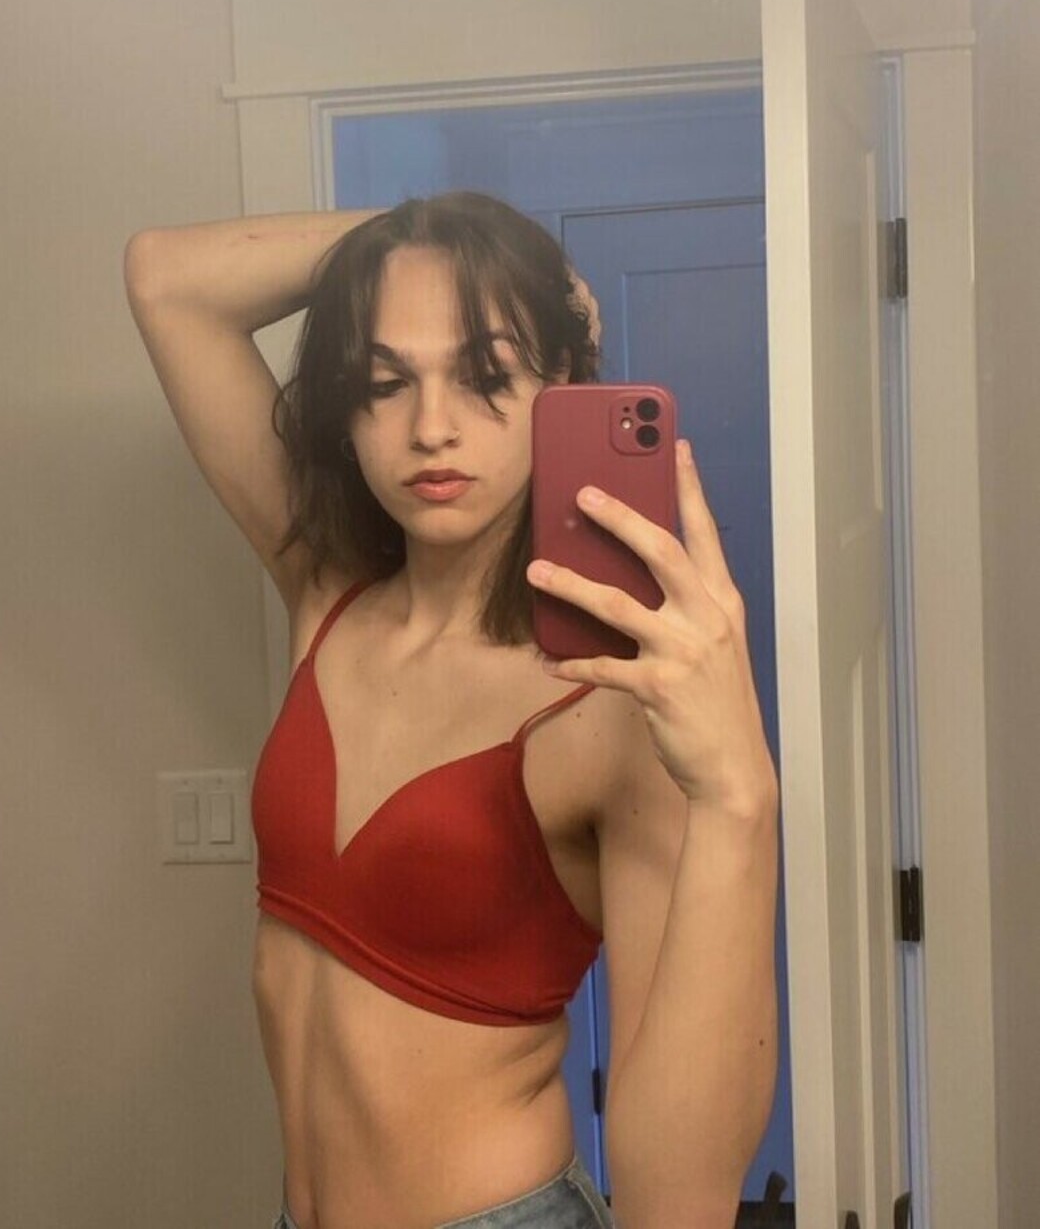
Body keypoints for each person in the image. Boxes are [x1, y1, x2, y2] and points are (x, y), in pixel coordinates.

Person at [124, 192, 780, 1229]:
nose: (431, 427)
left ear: (560, 389)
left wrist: (740, 796)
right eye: (385, 382)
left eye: (487, 374)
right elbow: (166, 278)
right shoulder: (330, 593)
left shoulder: (607, 702)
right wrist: (439, 235)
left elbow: (678, 1200)